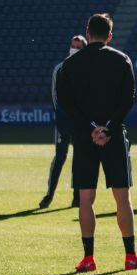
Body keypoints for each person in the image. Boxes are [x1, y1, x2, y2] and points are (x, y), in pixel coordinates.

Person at [56, 13, 137, 272]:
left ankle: (88, 258)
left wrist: (91, 128)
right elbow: (128, 98)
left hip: (85, 138)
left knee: (86, 198)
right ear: (110, 36)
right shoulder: (121, 60)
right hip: (114, 135)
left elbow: (65, 103)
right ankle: (130, 255)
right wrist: (108, 127)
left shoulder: (70, 64)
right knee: (123, 197)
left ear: (88, 34)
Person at [39, 35, 86, 209]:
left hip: (81, 123)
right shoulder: (60, 68)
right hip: (64, 122)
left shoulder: (88, 69)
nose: (74, 49)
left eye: (78, 47)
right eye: (73, 46)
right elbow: (54, 96)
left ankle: (76, 197)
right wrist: (61, 115)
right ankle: (49, 194)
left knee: (79, 159)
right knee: (60, 157)